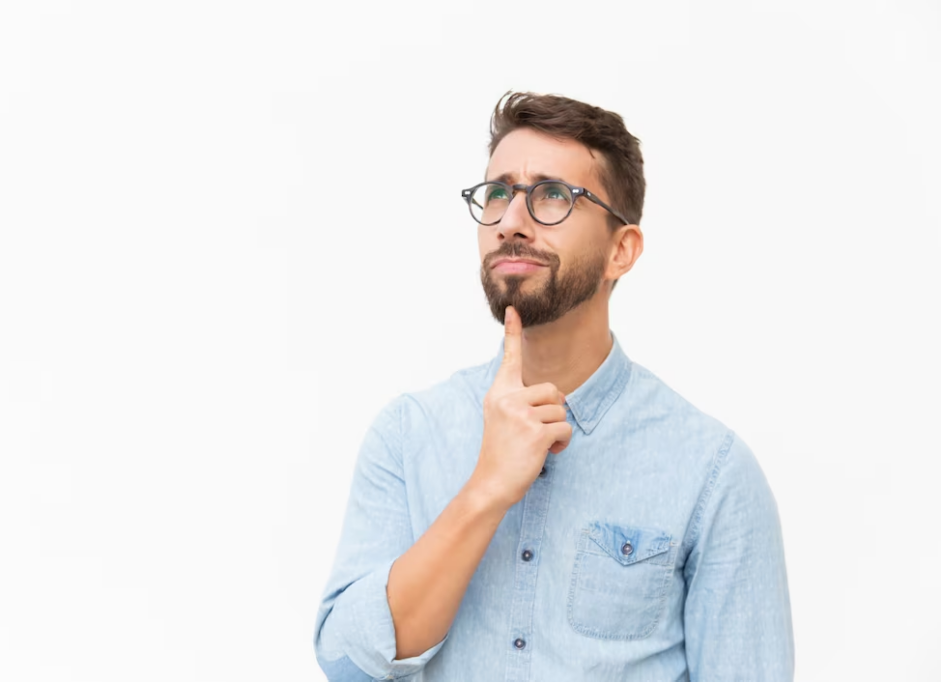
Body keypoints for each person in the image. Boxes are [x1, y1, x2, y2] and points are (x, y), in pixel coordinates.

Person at [312, 91, 794, 681]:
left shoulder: (711, 471)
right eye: (497, 194)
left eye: (552, 197)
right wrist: (485, 489)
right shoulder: (409, 435)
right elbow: (347, 664)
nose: (511, 222)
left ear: (622, 249)